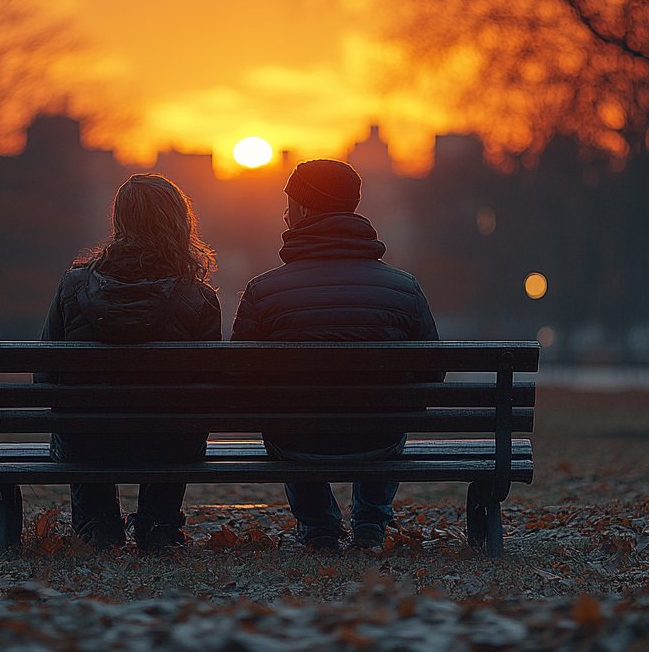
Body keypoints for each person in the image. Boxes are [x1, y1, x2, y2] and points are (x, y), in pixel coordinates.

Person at [231, 159, 440, 551]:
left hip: (298, 442)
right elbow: (431, 377)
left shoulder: (263, 291)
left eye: (289, 203)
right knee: (387, 410)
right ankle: (370, 524)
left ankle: (319, 526)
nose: (285, 213)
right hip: (378, 438)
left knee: (286, 417)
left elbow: (240, 379)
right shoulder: (404, 288)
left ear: (305, 210)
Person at [38, 174, 220, 553]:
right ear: (179, 222)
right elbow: (211, 385)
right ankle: (158, 525)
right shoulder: (198, 296)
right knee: (178, 421)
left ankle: (96, 526)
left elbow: (46, 373)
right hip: (170, 444)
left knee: (82, 419)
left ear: (120, 220)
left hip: (87, 441)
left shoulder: (74, 287)